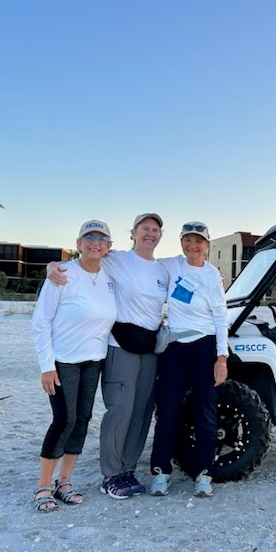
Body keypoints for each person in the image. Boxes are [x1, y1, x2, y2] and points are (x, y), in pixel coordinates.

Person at [47, 213, 168, 499]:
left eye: (155, 229)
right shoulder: (117, 259)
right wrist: (51, 265)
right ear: (133, 233)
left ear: (160, 236)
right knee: (121, 410)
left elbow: (192, 273)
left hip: (149, 349)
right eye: (144, 229)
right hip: (120, 346)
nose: (150, 233)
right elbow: (80, 262)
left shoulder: (164, 269)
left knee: (141, 412)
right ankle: (111, 474)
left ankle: (127, 469)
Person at [31, 220, 117, 512]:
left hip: (94, 360)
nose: (95, 242)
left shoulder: (110, 276)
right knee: (63, 420)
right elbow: (40, 322)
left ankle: (64, 481)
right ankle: (43, 485)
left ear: (109, 246)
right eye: (89, 237)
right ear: (79, 243)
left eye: (101, 238)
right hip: (62, 361)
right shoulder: (63, 274)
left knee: (82, 419)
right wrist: (46, 366)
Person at [149, 221, 229, 498]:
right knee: (168, 411)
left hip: (204, 346)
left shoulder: (212, 276)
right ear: (181, 242)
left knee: (205, 410)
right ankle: (161, 471)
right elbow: (139, 262)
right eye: (187, 240)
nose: (192, 246)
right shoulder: (171, 265)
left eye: (198, 241)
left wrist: (221, 357)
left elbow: (220, 317)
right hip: (174, 347)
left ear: (207, 244)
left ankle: (203, 473)